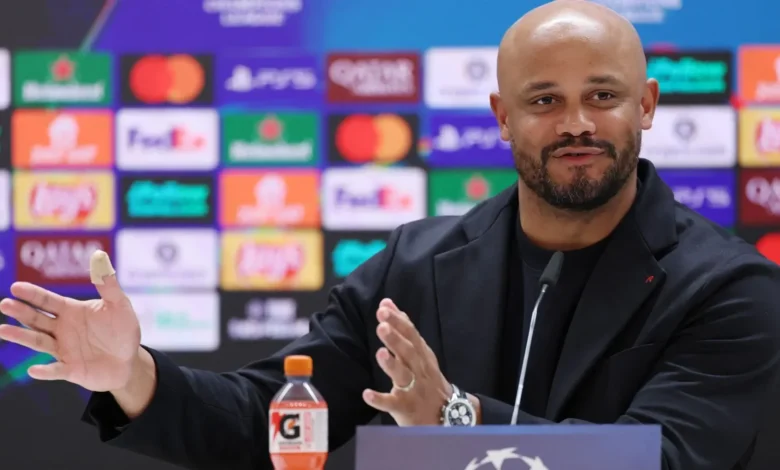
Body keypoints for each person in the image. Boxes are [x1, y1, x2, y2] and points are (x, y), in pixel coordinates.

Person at [1, 1, 779, 469]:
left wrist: (456, 416)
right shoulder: (416, 264)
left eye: (602, 95)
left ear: (647, 104)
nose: (576, 122)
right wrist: (130, 373)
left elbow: (663, 460)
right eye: (544, 100)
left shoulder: (728, 287)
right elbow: (270, 424)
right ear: (502, 117)